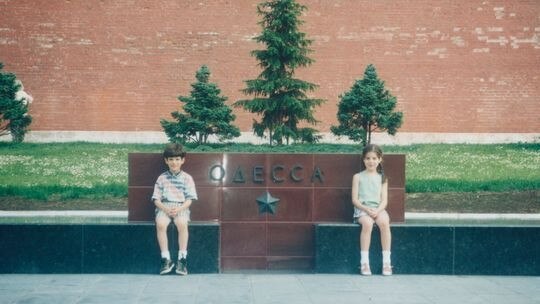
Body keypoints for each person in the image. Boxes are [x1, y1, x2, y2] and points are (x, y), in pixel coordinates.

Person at [152, 143, 198, 275]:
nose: (174, 162)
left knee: (182, 223)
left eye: (177, 159)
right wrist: (165, 209)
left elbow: (190, 199)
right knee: (160, 224)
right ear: (166, 160)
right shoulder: (161, 178)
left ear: (183, 160)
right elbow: (156, 199)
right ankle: (166, 259)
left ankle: (182, 259)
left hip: (181, 206)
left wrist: (179, 209)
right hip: (164, 206)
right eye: (171, 159)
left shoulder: (187, 178)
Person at [351, 144, 392, 276]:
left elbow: (384, 201)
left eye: (374, 158)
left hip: (378, 209)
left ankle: (386, 262)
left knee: (384, 223)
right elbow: (355, 200)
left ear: (380, 159)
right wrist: (366, 209)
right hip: (362, 210)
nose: (371, 161)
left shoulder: (383, 178)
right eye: (368, 158)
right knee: (368, 224)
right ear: (363, 159)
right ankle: (364, 262)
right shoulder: (357, 177)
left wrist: (378, 210)